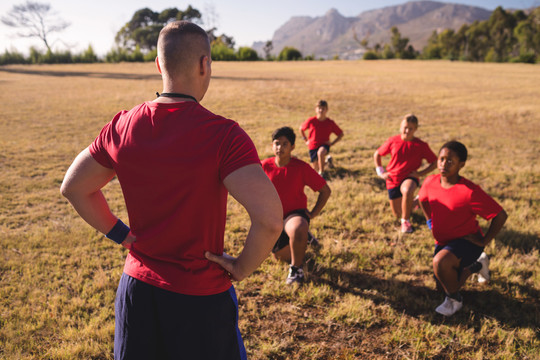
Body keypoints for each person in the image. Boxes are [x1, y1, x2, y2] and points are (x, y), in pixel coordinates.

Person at [60, 21, 283, 360]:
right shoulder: (223, 135)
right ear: (204, 64)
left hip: (137, 292)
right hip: (201, 299)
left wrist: (119, 233)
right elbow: (268, 219)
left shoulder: (122, 125)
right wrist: (241, 267)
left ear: (159, 64)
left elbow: (74, 187)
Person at [418, 141, 507, 316]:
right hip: (443, 242)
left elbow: (500, 215)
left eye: (450, 161)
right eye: (441, 159)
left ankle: (455, 300)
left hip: (467, 242)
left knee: (441, 265)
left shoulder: (469, 191)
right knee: (443, 284)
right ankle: (476, 266)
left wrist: (484, 240)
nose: (443, 164)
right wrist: (430, 222)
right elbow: (423, 200)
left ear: (461, 165)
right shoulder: (430, 182)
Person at [262, 127, 331, 284]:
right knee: (280, 257)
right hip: (274, 219)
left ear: (292, 147)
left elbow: (325, 191)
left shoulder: (301, 167)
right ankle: (304, 238)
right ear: (272, 146)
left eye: (285, 144)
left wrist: (312, 214)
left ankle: (296, 270)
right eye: (277, 143)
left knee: (298, 228)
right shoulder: (264, 166)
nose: (280, 148)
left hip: (294, 214)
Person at [373, 114, 437, 233]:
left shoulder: (421, 145)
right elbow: (377, 154)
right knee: (397, 213)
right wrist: (380, 172)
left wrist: (420, 174)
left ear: (415, 129)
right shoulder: (393, 141)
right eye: (405, 127)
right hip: (392, 179)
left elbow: (434, 162)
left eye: (411, 128)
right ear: (401, 126)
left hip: (409, 177)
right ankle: (417, 200)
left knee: (407, 190)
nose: (407, 131)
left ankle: (406, 222)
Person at [299, 100, 344, 176]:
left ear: (326, 110)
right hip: (312, 146)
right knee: (315, 168)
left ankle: (322, 174)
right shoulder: (311, 121)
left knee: (320, 153)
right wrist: (305, 140)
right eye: (319, 108)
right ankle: (327, 162)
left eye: (323, 108)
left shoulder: (330, 122)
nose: (321, 110)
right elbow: (301, 129)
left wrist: (332, 143)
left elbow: (340, 134)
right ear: (316, 109)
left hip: (324, 145)